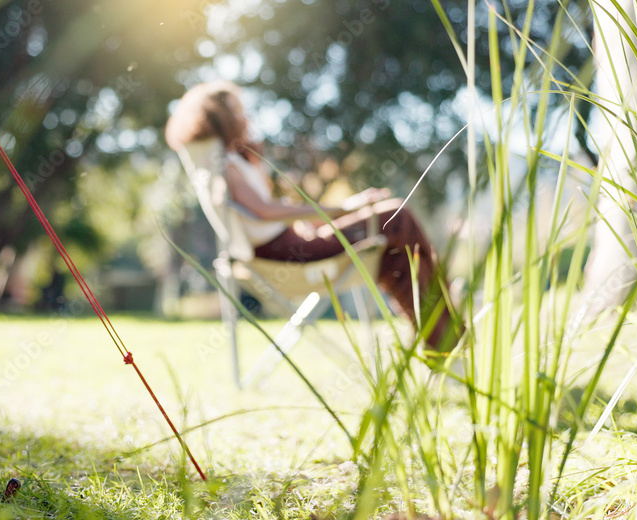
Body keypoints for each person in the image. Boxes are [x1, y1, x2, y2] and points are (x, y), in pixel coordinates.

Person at [165, 80, 461, 353]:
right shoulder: (226, 167)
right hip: (289, 255)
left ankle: (442, 345)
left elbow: (287, 218)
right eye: (238, 110)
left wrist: (355, 206)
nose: (246, 117)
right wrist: (350, 209)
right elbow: (267, 213)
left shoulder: (236, 162)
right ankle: (451, 323)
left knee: (398, 258)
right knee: (398, 216)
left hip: (295, 245)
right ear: (222, 118)